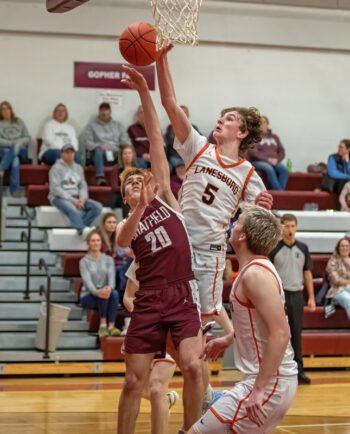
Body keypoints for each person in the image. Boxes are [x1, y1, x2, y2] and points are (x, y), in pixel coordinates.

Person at [155, 47, 273, 409]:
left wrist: (267, 209)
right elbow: (171, 104)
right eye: (221, 116)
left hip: (206, 259)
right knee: (171, 331)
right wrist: (160, 59)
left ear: (244, 131)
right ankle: (199, 396)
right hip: (174, 249)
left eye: (230, 118)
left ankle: (203, 402)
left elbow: (260, 227)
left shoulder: (251, 177)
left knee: (197, 335)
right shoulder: (197, 148)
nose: (221, 120)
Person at [117, 66, 203, 434]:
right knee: (133, 382)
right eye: (131, 183)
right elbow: (123, 241)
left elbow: (154, 135)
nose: (138, 181)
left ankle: (191, 431)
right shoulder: (125, 223)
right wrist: (139, 206)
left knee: (194, 365)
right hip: (149, 299)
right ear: (125, 197)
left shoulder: (166, 196)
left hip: (182, 292)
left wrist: (143, 92)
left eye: (140, 178)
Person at [189, 203, 298, 434]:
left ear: (243, 236)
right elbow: (260, 323)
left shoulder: (255, 275)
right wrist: (229, 339)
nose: (233, 223)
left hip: (269, 383)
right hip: (272, 381)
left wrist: (258, 390)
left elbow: (281, 333)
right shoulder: (254, 270)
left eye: (237, 221)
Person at [123, 264, 179, 434]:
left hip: (169, 330)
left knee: (156, 388)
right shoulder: (141, 260)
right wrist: (145, 315)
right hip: (143, 330)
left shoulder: (179, 256)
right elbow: (128, 296)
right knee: (139, 388)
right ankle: (167, 400)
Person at [269, 213, 316, 385]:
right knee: (278, 334)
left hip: (296, 295)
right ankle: (275, 371)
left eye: (292, 226)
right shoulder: (273, 248)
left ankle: (299, 371)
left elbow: (307, 273)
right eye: (286, 226)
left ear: (296, 227)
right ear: (281, 227)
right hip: (278, 296)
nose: (290, 229)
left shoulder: (303, 248)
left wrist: (311, 297)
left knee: (296, 333)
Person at [48, 143, 102, 238]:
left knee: (97, 207)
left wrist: (82, 199)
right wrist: (72, 200)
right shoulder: (55, 168)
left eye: (71, 152)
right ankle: (82, 230)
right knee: (72, 209)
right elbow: (55, 188)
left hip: (77, 197)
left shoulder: (78, 168)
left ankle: (80, 226)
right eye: (67, 152)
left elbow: (83, 186)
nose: (70, 154)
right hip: (59, 198)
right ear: (62, 154)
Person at [79, 230, 120, 337]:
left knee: (114, 293)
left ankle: (111, 326)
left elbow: (112, 279)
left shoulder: (108, 259)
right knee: (103, 294)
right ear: (88, 243)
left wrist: (109, 288)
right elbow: (87, 281)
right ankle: (102, 325)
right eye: (93, 241)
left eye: (98, 240)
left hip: (105, 293)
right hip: (88, 296)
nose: (96, 243)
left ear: (101, 242)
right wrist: (97, 292)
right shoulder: (84, 261)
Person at [84, 102, 130, 185]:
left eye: (106, 110)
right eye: (101, 110)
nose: (103, 112)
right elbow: (87, 143)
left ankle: (127, 178)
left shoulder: (118, 125)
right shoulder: (91, 126)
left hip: (115, 153)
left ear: (110, 112)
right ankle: (100, 177)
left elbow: (126, 141)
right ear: (99, 111)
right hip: (100, 155)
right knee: (98, 150)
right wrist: (99, 145)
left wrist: (125, 149)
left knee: (127, 152)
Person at [98, 212, 133, 300]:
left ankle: (124, 295)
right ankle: (122, 295)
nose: (112, 225)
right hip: (105, 266)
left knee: (130, 264)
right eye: (109, 222)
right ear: (103, 224)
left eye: (114, 222)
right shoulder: (99, 237)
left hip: (118, 265)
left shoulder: (117, 236)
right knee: (122, 271)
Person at [248, 115, 288, 190]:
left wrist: (277, 160)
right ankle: (279, 193)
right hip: (258, 162)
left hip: (274, 162)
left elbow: (282, 151)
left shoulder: (274, 137)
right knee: (269, 168)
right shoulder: (254, 137)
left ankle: (281, 192)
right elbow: (254, 152)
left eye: (266, 123)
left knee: (284, 169)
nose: (264, 125)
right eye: (262, 124)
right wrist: (267, 160)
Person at [0, 101, 30, 197]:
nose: (5, 111)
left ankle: (1, 168)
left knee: (16, 147)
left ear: (11, 110)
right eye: (3, 109)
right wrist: (11, 143)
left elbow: (28, 137)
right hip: (5, 149)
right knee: (15, 159)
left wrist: (20, 141)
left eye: (7, 108)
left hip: (21, 150)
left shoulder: (19, 122)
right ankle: (15, 189)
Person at [164, 105, 201, 171]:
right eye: (180, 113)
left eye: (185, 113)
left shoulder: (193, 128)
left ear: (188, 115)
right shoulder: (170, 129)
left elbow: (200, 142)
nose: (182, 115)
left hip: (191, 156)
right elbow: (168, 145)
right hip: (175, 156)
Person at [110, 144, 138, 217]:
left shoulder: (138, 170)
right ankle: (126, 222)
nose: (127, 155)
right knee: (127, 199)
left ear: (133, 155)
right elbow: (114, 187)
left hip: (135, 194)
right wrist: (128, 190)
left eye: (129, 153)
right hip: (120, 196)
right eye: (125, 153)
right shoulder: (116, 169)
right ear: (121, 156)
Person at [326, 237, 350, 320]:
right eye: (342, 246)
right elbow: (336, 280)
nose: (345, 248)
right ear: (338, 248)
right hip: (337, 291)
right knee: (348, 299)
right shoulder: (333, 261)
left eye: (347, 246)